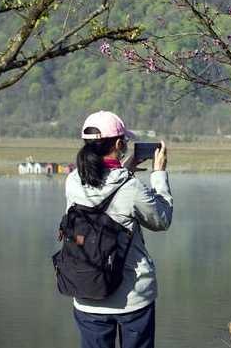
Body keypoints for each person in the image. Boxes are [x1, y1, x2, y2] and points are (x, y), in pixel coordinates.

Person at [67, 110, 173, 348]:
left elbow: (101, 184)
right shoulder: (130, 186)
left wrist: (125, 169)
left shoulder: (73, 181)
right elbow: (162, 220)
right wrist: (159, 174)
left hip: (86, 292)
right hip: (132, 298)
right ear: (118, 143)